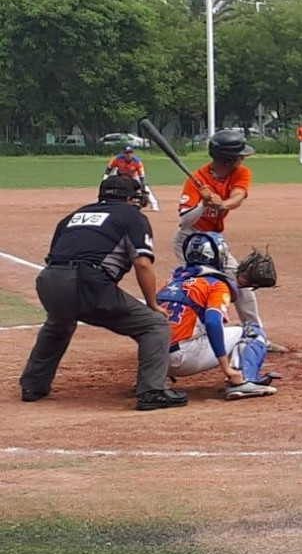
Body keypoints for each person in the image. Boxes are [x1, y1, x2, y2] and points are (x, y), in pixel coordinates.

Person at [19, 177, 187, 411]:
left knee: (59, 323)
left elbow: (54, 257)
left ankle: (33, 385)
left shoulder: (73, 216)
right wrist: (152, 304)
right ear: (130, 199)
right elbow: (142, 264)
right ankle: (151, 391)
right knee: (155, 325)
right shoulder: (132, 216)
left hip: (48, 281)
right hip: (87, 282)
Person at [173, 130, 287, 352]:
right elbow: (184, 221)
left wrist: (222, 204)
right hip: (191, 242)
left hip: (216, 242)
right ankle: (199, 338)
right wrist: (203, 204)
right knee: (204, 287)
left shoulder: (240, 173)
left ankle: (257, 335)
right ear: (228, 158)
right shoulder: (197, 180)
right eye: (239, 155)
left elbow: (238, 196)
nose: (243, 159)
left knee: (242, 283)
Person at [159, 232, 277, 400]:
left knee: (187, 324)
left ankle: (154, 379)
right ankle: (243, 381)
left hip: (155, 358)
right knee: (250, 330)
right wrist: (225, 368)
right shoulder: (215, 284)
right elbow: (213, 323)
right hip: (183, 358)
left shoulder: (173, 279)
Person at [104, 145, 159, 211]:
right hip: (120, 175)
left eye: (130, 152)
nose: (129, 154)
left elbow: (142, 176)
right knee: (110, 184)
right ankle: (106, 201)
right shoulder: (117, 159)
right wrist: (105, 178)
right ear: (123, 153)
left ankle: (154, 204)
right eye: (127, 153)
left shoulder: (137, 161)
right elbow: (109, 168)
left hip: (133, 176)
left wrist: (143, 188)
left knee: (145, 187)